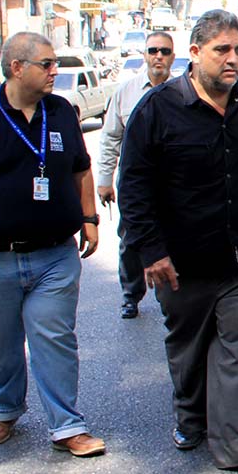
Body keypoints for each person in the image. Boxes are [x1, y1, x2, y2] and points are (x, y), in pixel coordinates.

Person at [118, 10, 238, 474]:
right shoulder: (157, 110)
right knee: (189, 351)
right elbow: (134, 187)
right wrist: (150, 251)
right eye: (222, 51)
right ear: (194, 54)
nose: (233, 60)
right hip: (181, 263)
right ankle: (191, 418)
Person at [0, 32, 105, 456]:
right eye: (46, 64)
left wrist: (88, 218)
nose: (55, 72)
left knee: (55, 336)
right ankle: (4, 409)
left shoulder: (61, 111)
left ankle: (67, 425)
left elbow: (81, 169)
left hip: (54, 254)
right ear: (16, 68)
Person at [97, 32, 175, 319]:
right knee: (131, 240)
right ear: (145, 55)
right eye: (153, 50)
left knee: (172, 238)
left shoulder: (182, 91)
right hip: (136, 185)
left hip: (172, 185)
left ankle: (171, 296)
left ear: (172, 56)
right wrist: (105, 180)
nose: (159, 56)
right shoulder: (126, 92)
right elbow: (109, 138)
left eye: (165, 51)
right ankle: (131, 294)